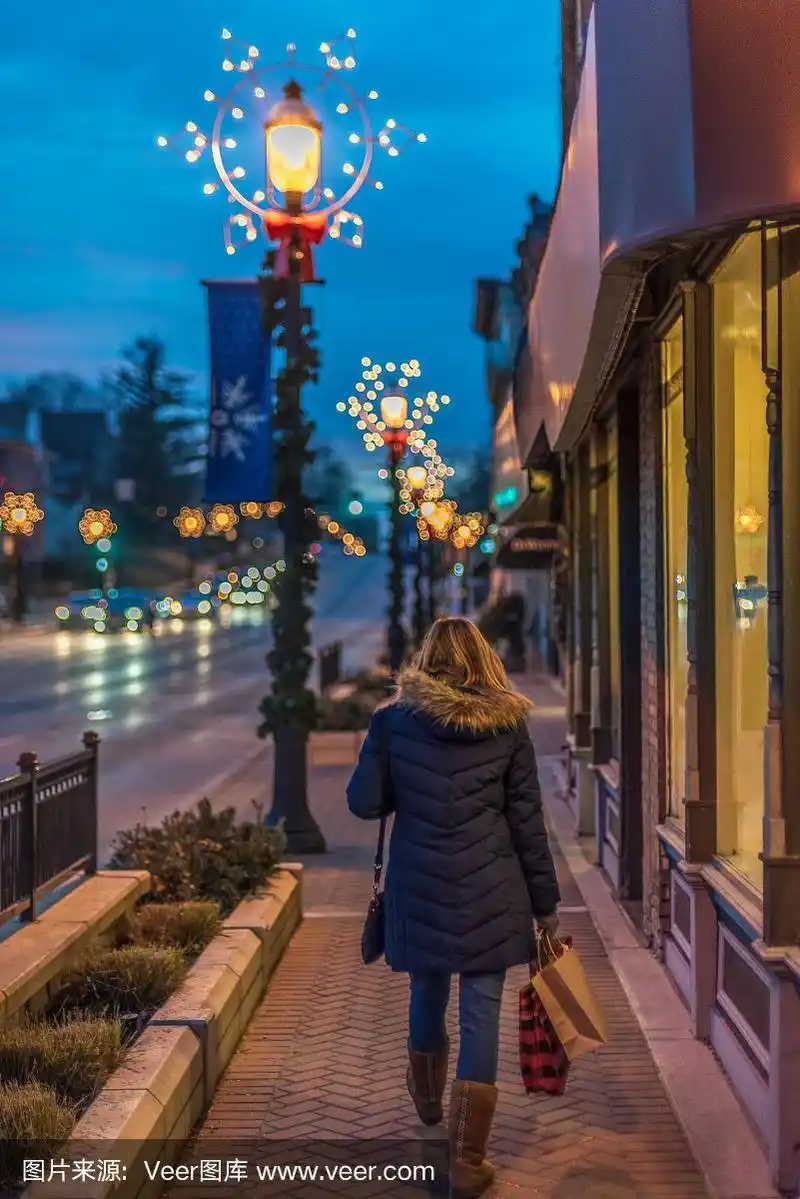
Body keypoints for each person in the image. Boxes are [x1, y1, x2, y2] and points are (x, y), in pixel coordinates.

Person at [346, 616, 560, 1199]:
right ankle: (466, 1161)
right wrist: (547, 905)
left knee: (426, 990)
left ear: (426, 659)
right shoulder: (509, 723)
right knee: (480, 1015)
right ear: (484, 660)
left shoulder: (394, 721)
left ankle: (429, 1100)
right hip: (495, 886)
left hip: (419, 884)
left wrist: (377, 742)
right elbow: (527, 824)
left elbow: (364, 805)